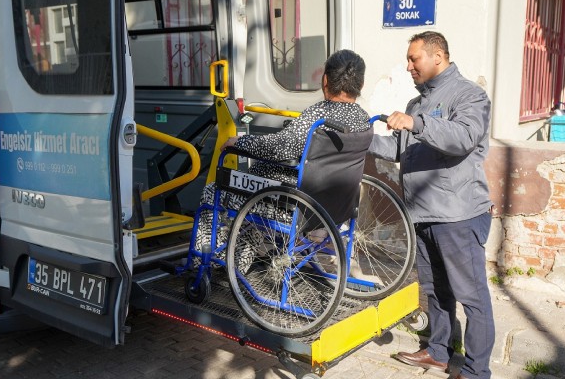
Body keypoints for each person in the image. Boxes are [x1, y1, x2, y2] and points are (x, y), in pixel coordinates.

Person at [368, 31, 494, 379]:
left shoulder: (470, 95)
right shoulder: (416, 103)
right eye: (408, 60)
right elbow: (400, 149)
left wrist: (417, 123)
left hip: (459, 215)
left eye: (414, 59)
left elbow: (464, 137)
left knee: (472, 297)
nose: (408, 66)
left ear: (437, 56)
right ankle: (438, 353)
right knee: (436, 291)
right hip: (422, 213)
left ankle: (476, 371)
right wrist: (361, 142)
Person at [193, 49, 371, 266]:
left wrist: (240, 142)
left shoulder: (318, 116)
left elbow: (281, 148)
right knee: (254, 191)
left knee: (213, 191)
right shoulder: (363, 119)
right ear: (360, 85)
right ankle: (239, 261)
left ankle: (204, 261)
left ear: (325, 80)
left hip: (292, 206)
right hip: (335, 207)